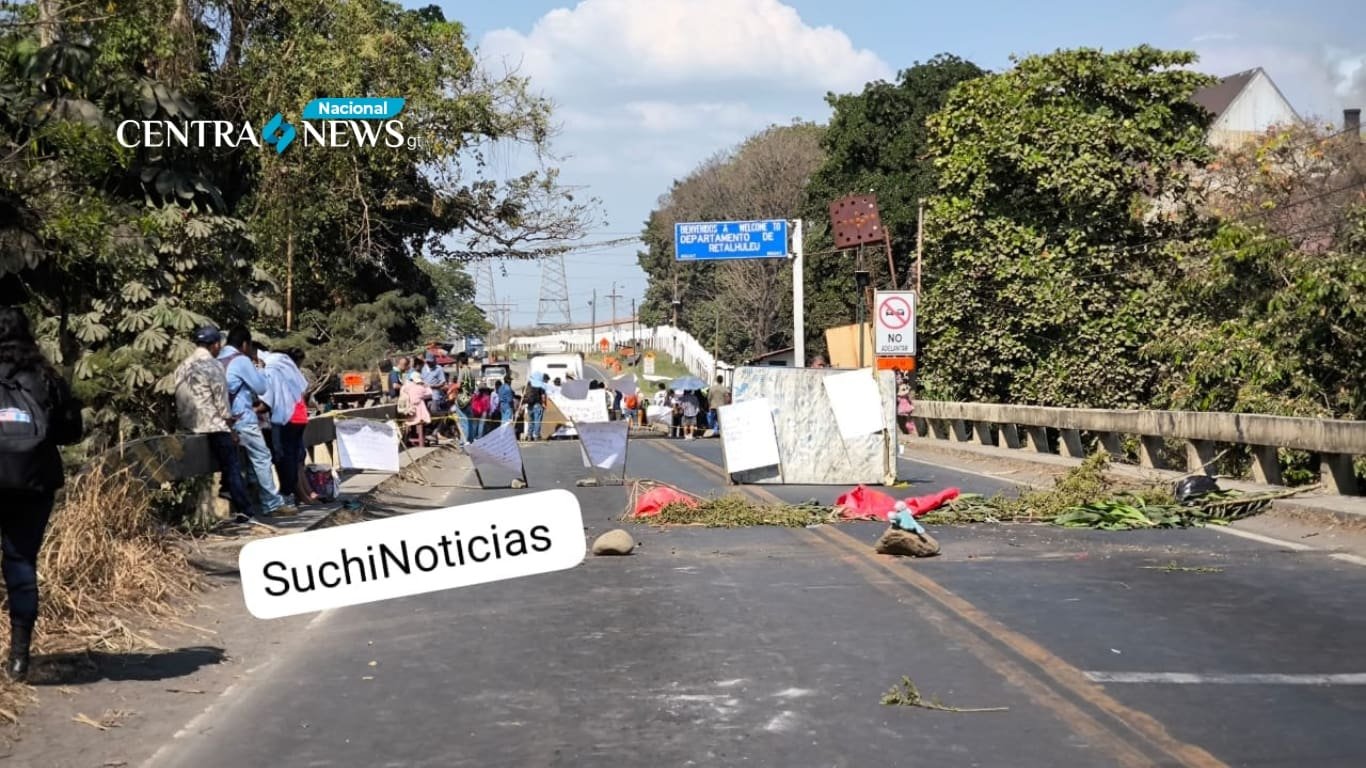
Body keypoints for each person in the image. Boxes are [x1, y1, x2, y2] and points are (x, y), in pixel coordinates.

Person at [0, 306, 84, 681]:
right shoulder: (46, 378)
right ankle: (19, 658)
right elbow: (71, 432)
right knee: (21, 563)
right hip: (33, 482)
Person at [174, 325, 255, 520]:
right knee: (232, 464)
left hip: (188, 424)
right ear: (216, 345)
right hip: (212, 424)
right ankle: (244, 509)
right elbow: (221, 400)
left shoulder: (182, 366)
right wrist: (230, 424)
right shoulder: (213, 365)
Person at [219, 326, 297, 518]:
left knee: (244, 463)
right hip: (243, 418)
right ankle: (271, 504)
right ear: (245, 344)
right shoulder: (241, 360)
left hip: (224, 420)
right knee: (262, 457)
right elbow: (261, 388)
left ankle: (249, 501)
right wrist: (260, 369)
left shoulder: (218, 360)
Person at [259, 346, 309, 507]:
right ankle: (295, 494)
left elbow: (267, 402)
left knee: (283, 458)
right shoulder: (290, 371)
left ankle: (287, 494)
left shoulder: (273, 370)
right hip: (299, 417)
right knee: (294, 458)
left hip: (285, 419)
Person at [399, 370, 434, 446]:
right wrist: (426, 386)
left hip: (406, 413)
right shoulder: (419, 388)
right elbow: (430, 393)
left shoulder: (404, 388)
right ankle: (422, 439)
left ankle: (410, 438)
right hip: (417, 414)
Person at [521, 374, 546, 441]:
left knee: (531, 421)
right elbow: (543, 396)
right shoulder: (539, 385)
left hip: (530, 405)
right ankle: (536, 436)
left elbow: (523, 395)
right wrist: (543, 403)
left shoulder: (527, 385)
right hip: (537, 405)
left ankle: (529, 436)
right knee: (537, 421)